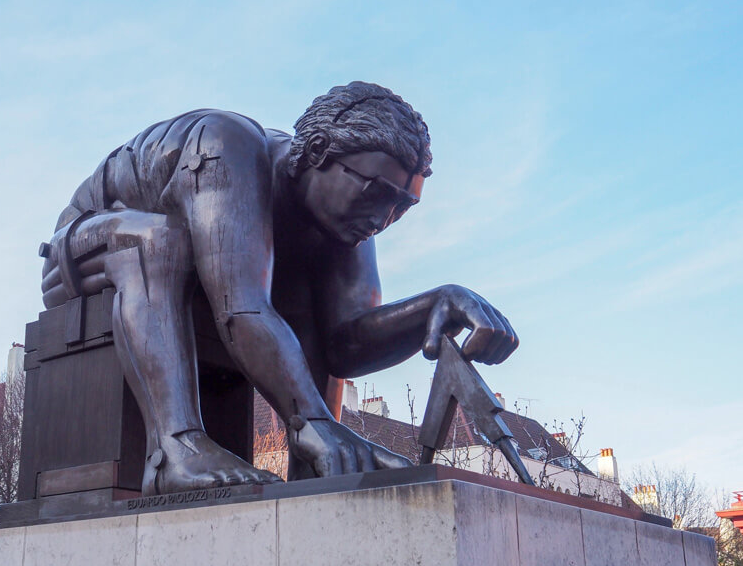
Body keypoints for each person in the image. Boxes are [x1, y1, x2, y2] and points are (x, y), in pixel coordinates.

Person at [41, 82, 518, 494]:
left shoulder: (349, 221)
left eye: (402, 206)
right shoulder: (227, 147)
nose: (383, 219)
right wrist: (313, 421)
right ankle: (174, 451)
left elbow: (344, 345)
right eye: (376, 193)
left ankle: (311, 463)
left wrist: (434, 307)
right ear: (315, 155)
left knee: (298, 295)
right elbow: (241, 309)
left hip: (202, 284)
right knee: (160, 242)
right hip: (81, 249)